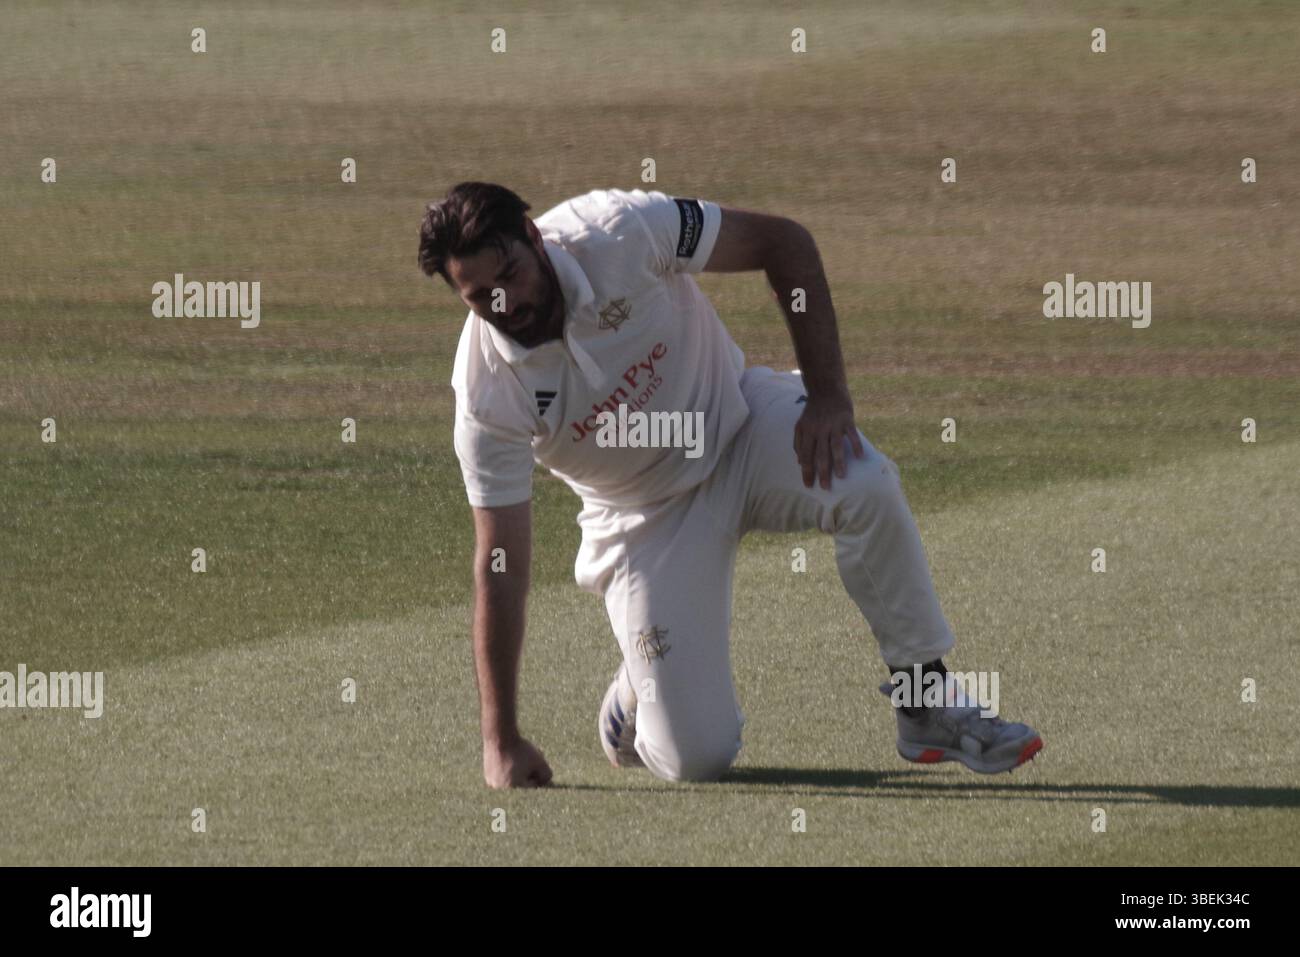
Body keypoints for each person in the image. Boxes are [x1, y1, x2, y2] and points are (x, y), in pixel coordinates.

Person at [418, 182, 1042, 788]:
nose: (505, 304)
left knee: (865, 483)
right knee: (699, 757)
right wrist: (500, 740)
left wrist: (828, 397)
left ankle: (924, 702)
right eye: (479, 297)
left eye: (510, 276)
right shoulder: (485, 393)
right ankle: (634, 698)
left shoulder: (620, 228)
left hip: (740, 422)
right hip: (642, 519)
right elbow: (498, 563)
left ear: (535, 237)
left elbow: (786, 244)